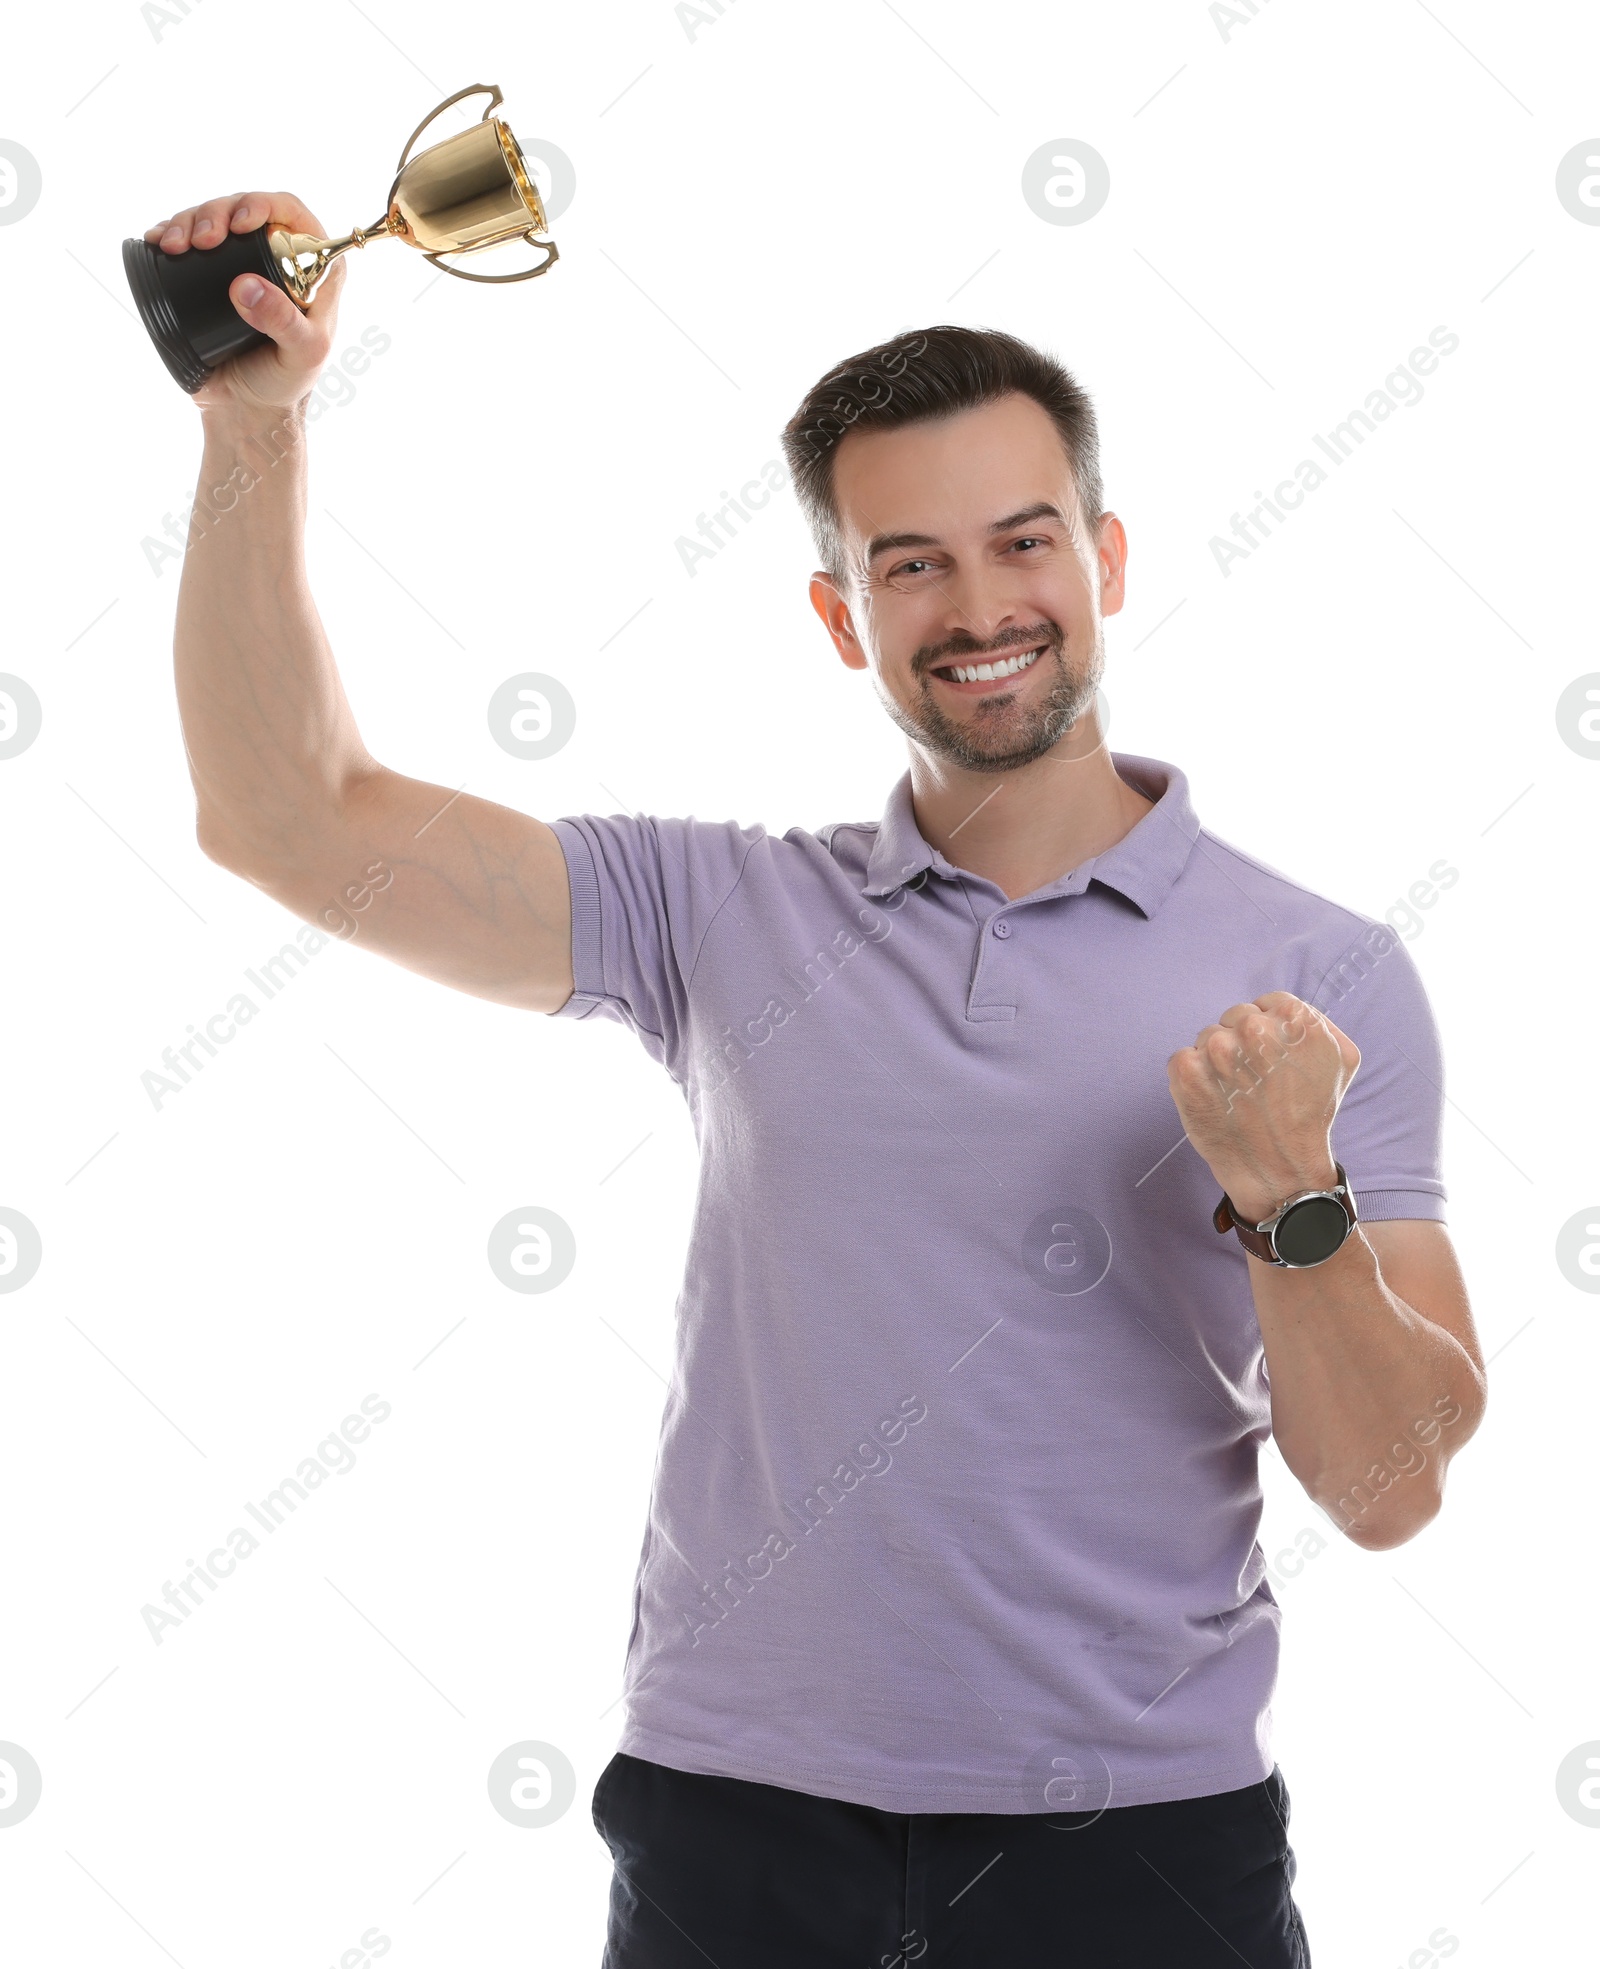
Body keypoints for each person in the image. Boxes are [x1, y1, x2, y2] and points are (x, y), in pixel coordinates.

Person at [146, 190, 1486, 1968]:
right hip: (739, 1829)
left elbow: (1390, 1485)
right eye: (910, 562)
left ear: (1108, 558)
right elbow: (288, 819)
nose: (982, 604)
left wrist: (1291, 1200)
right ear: (842, 616)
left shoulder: (1322, 974)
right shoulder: (718, 912)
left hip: (1138, 1843)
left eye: (1024, 543)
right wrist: (256, 425)